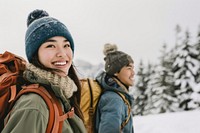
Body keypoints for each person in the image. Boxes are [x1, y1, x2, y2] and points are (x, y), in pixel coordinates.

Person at [2, 9, 87, 133]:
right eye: (50, 46)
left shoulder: (60, 95)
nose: (62, 54)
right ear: (35, 55)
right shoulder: (34, 106)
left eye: (66, 45)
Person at [95, 43, 135, 133]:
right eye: (129, 68)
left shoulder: (118, 96)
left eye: (133, 68)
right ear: (115, 72)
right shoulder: (114, 99)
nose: (133, 73)